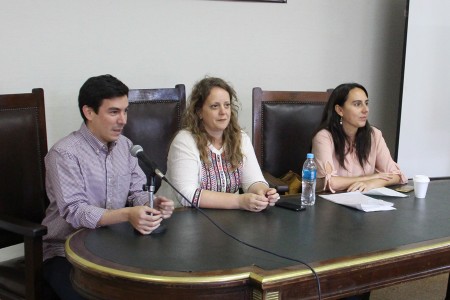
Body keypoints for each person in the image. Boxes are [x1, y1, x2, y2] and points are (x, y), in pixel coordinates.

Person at [42, 74, 175, 300]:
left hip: (114, 245)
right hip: (65, 253)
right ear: (89, 112)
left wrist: (150, 203)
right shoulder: (63, 154)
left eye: (125, 111)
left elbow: (136, 192)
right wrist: (126, 214)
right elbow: (75, 210)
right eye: (114, 112)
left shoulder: (126, 146)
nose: (123, 120)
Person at [157, 76, 279, 211]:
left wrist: (263, 192)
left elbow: (252, 181)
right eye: (215, 106)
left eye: (227, 105)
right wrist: (239, 201)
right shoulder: (184, 141)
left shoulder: (241, 138)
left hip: (225, 219)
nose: (223, 112)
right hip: (179, 217)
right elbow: (187, 195)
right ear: (199, 112)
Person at [312, 82, 408, 193]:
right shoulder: (324, 137)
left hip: (363, 202)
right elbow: (330, 182)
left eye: (366, 103)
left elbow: (397, 175)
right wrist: (369, 178)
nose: (365, 109)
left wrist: (372, 183)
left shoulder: (374, 134)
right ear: (340, 110)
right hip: (328, 204)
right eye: (357, 104)